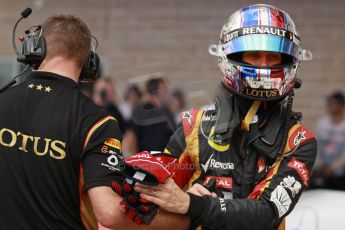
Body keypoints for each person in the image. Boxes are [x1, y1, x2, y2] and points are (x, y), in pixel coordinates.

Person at [135, 4, 317, 230]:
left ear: (289, 61)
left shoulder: (298, 141)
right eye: (254, 55)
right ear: (231, 56)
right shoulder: (195, 126)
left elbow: (266, 214)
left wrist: (192, 204)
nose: (264, 66)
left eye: (273, 57)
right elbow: (154, 198)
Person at [0, 15, 140, 230]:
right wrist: (186, 216)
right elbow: (110, 213)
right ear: (89, 64)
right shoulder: (97, 122)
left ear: (35, 49)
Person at [122, 78, 176, 155]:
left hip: (165, 161)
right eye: (164, 89)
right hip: (146, 162)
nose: (167, 93)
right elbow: (130, 139)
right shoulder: (141, 112)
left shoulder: (166, 112)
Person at [314, 91, 345, 190]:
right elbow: (316, 146)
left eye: (336, 103)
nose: (332, 106)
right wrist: (320, 166)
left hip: (340, 174)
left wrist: (333, 167)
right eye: (330, 103)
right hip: (322, 171)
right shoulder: (322, 124)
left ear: (342, 105)